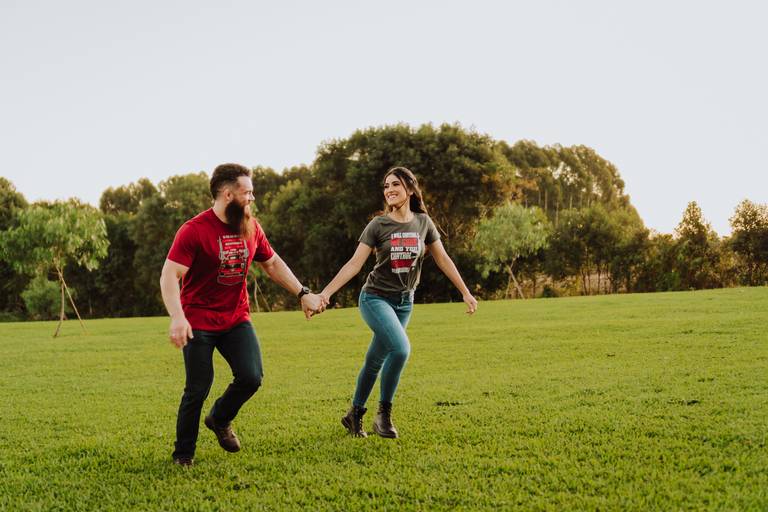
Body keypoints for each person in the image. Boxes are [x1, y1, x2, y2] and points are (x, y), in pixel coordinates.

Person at [160, 163, 326, 466]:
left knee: (251, 377)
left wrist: (303, 293)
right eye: (246, 193)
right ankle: (183, 454)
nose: (251, 199)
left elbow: (272, 263)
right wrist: (177, 316)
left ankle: (220, 418)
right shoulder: (194, 230)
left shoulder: (251, 226)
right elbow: (169, 275)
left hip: (236, 317)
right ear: (227, 194)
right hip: (198, 319)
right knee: (198, 387)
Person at [320, 166, 477, 439]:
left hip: (405, 302)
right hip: (375, 298)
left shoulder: (423, 223)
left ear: (410, 188)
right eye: (385, 186)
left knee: (375, 359)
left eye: (395, 184)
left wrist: (465, 291)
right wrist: (325, 294)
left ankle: (354, 415)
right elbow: (354, 265)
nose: (389, 190)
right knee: (401, 349)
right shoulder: (378, 225)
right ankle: (383, 416)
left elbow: (443, 258)